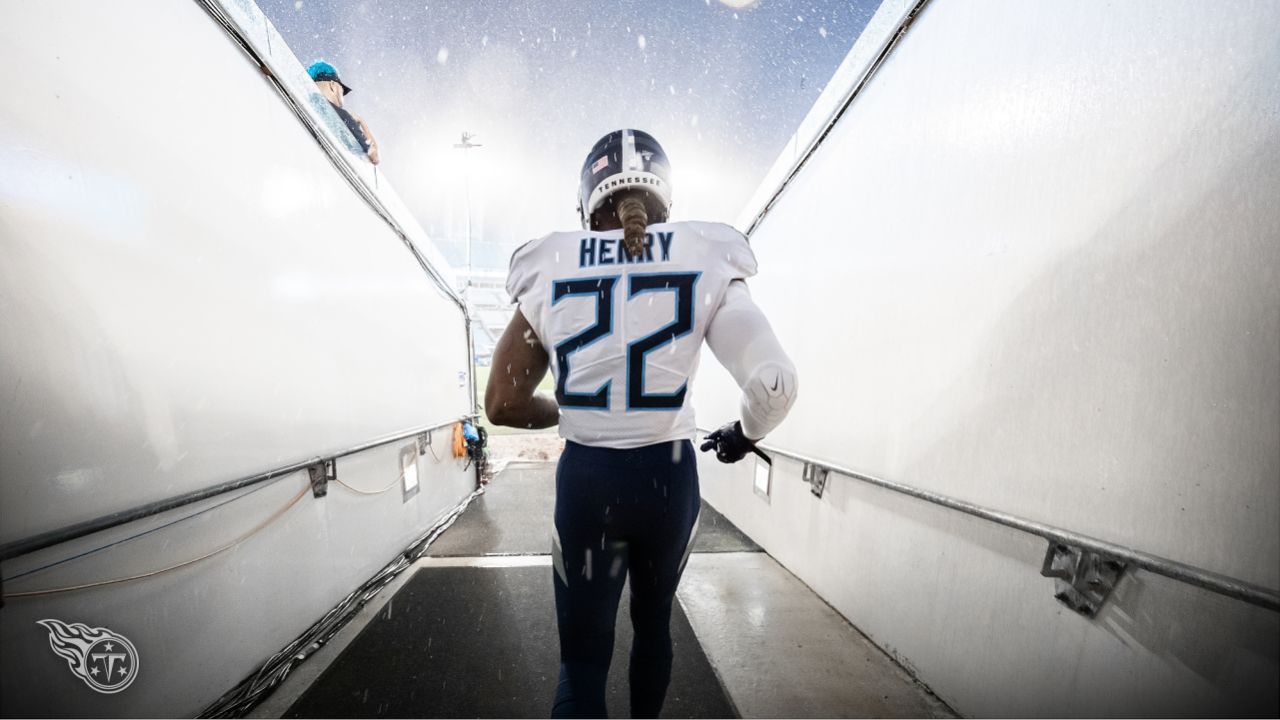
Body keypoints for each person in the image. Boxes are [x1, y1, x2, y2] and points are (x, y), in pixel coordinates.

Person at [485, 129, 797, 718]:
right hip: (669, 479)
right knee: (653, 630)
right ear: (663, 201)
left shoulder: (550, 264)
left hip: (587, 482)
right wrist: (744, 434)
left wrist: (567, 411)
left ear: (587, 201)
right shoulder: (707, 255)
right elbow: (774, 384)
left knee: (581, 664)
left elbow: (501, 403)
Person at [307, 60, 380, 165]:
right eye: (341, 90)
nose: (343, 101)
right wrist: (361, 122)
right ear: (332, 85)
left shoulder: (304, 100)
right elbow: (375, 157)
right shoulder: (342, 116)